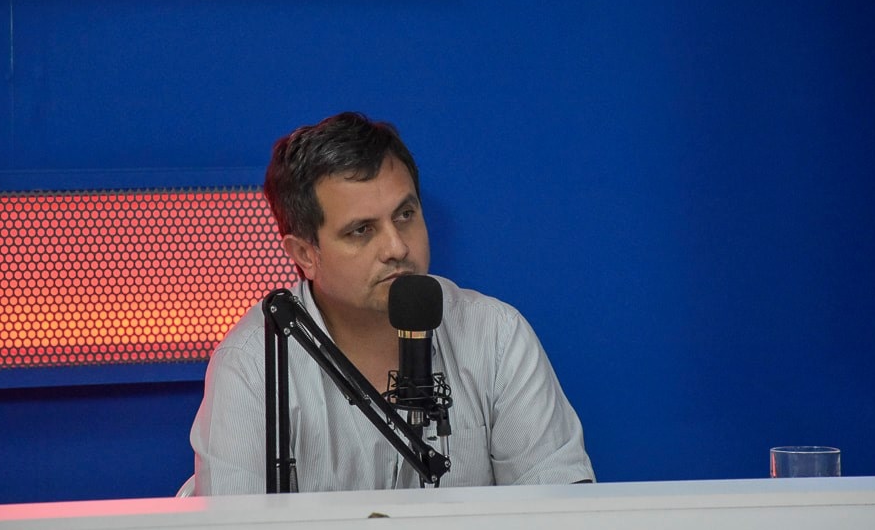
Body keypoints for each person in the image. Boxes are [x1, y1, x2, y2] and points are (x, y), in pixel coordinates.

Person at [190, 112, 595, 494]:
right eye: (362, 230)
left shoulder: (496, 337)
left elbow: (561, 508)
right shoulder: (253, 366)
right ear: (304, 254)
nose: (397, 247)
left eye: (404, 215)